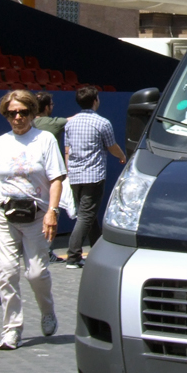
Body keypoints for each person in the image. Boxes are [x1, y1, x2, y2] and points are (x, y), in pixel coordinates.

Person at [0, 90, 65, 350]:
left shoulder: (44, 140)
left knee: (36, 273)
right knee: (7, 272)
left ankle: (47, 311)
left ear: (32, 112)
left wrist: (52, 211)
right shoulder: (0, 144)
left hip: (36, 214)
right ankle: (12, 329)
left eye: (23, 112)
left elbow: (56, 179)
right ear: (6, 115)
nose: (18, 117)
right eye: (12, 113)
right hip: (3, 213)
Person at [64, 86, 125, 269]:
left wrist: (69, 170)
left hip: (75, 175)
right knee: (85, 215)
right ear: (96, 100)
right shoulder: (102, 123)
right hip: (93, 174)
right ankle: (73, 256)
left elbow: (67, 150)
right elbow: (111, 145)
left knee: (88, 215)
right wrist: (122, 156)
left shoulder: (70, 123)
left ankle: (97, 248)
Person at [34, 92, 69, 264]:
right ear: (47, 107)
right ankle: (46, 251)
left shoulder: (29, 124)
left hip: (32, 176)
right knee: (52, 211)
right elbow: (72, 119)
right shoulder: (52, 124)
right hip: (49, 176)